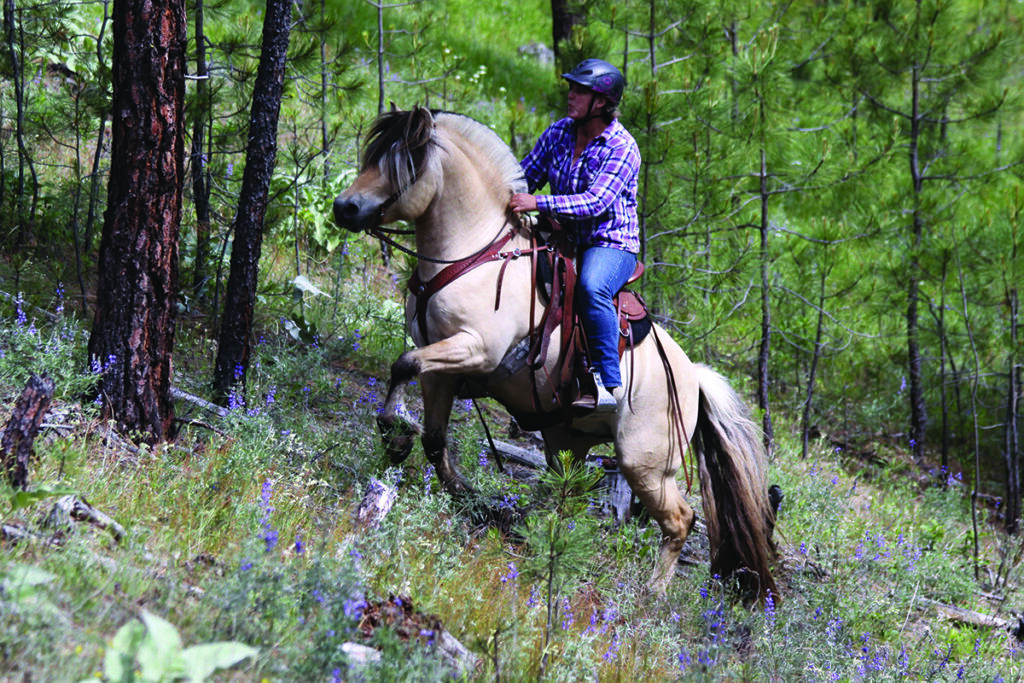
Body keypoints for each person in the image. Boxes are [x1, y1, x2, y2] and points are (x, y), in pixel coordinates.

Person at [510, 58, 641, 413]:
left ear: (600, 101)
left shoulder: (622, 147)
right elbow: (525, 176)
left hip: (609, 241)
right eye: (571, 87)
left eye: (579, 90)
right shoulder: (558, 133)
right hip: (562, 233)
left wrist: (538, 202)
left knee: (591, 287)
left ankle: (604, 381)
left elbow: (596, 202)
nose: (570, 95)